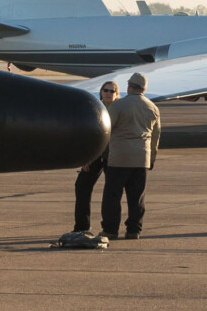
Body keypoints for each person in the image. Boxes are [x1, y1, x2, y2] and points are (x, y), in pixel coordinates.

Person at [99, 72, 162, 243]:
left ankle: (110, 230)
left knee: (113, 195)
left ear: (129, 86)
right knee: (137, 197)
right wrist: (152, 159)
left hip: (119, 157)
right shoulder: (152, 108)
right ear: (143, 89)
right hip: (142, 157)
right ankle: (134, 230)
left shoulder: (119, 106)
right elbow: (156, 136)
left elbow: (106, 128)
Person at [58, 79, 117, 246]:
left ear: (117, 94)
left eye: (112, 91)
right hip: (96, 155)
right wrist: (86, 157)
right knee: (82, 186)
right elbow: (89, 133)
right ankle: (81, 226)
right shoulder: (95, 109)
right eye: (105, 90)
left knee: (112, 192)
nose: (108, 93)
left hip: (113, 155)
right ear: (101, 92)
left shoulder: (118, 110)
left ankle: (111, 227)